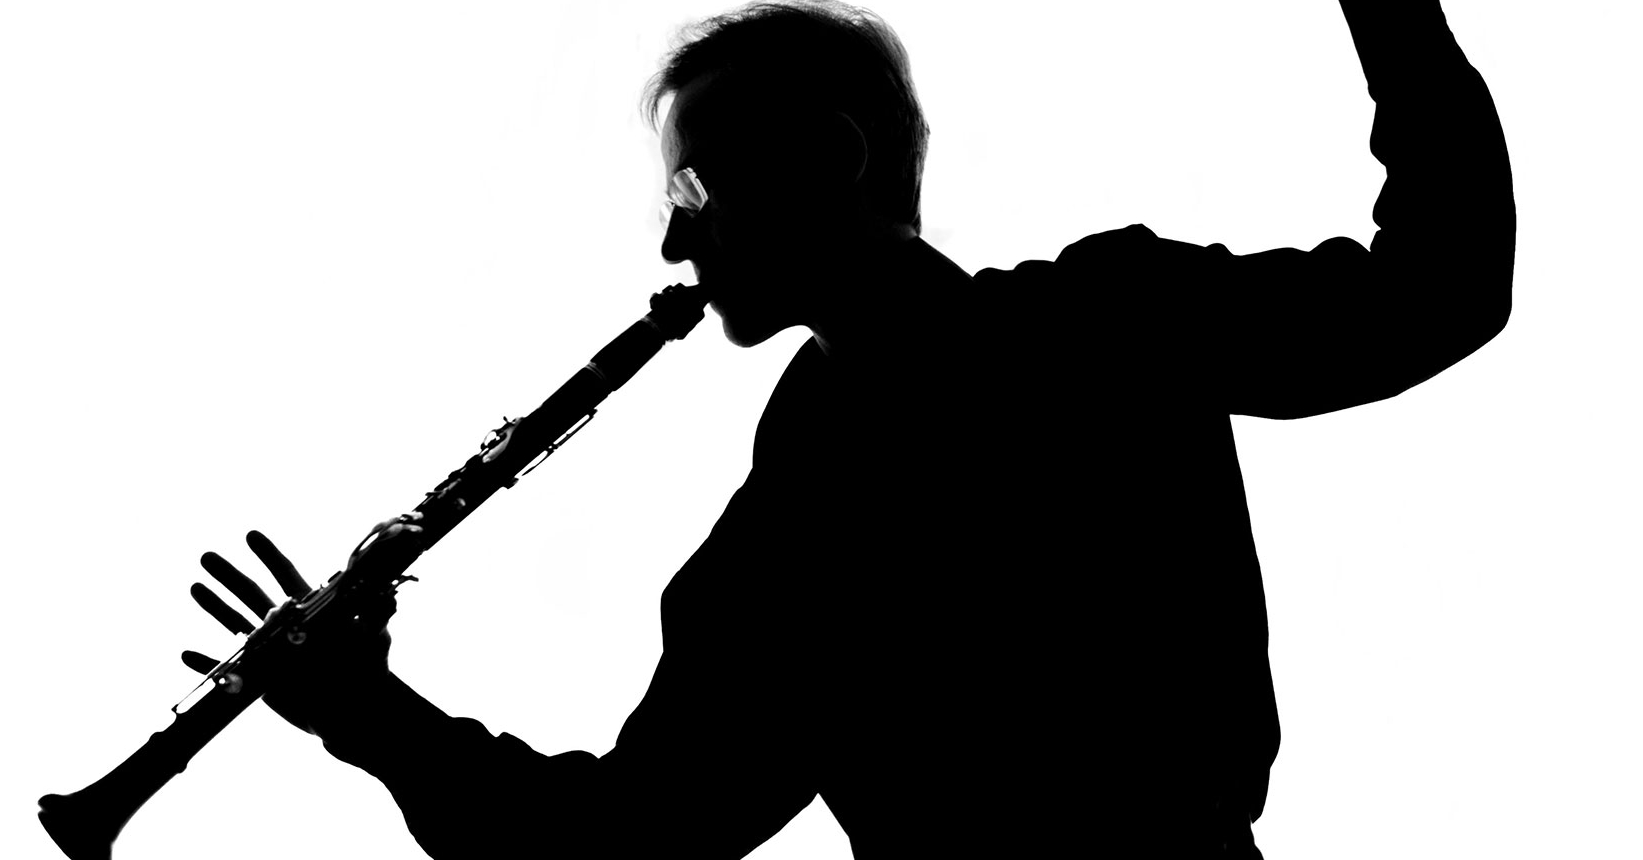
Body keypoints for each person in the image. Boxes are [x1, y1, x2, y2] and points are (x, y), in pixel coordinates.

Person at [185, 1, 1513, 855]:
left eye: (691, 189)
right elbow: (633, 841)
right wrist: (371, 715)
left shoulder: (1096, 324)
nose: (673, 241)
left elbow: (1440, 290)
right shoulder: (809, 502)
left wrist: (375, 720)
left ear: (832, 157)